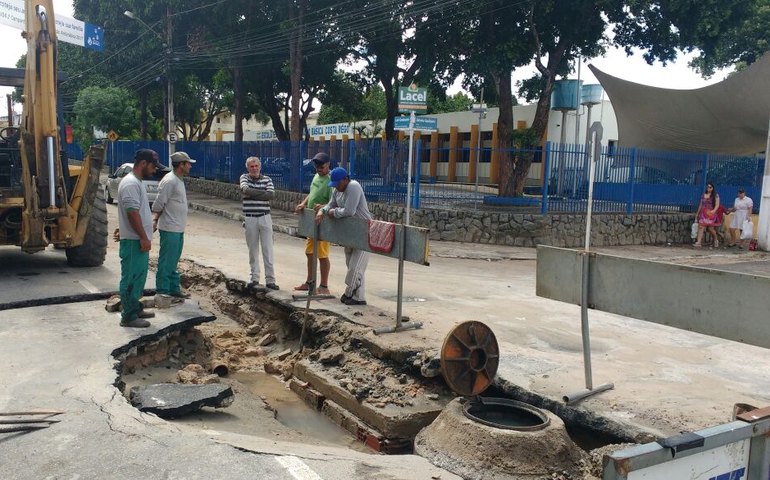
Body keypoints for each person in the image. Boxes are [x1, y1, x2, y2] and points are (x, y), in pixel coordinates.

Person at [117, 149, 161, 328]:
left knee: (139, 278)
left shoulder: (137, 182)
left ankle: (135, 308)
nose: (154, 170)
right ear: (143, 163)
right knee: (131, 279)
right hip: (135, 241)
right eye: (152, 166)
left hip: (136, 239)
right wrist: (143, 237)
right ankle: (128, 316)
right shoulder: (130, 184)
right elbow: (132, 213)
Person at [316, 167, 371, 306]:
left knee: (355, 268)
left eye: (338, 184)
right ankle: (359, 298)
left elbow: (349, 211)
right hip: (349, 234)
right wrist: (323, 211)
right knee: (352, 267)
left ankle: (348, 292)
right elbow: (330, 204)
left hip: (363, 233)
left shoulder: (353, 186)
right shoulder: (337, 190)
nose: (336, 187)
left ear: (345, 179)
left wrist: (333, 212)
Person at [152, 151, 195, 299]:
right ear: (181, 165)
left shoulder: (179, 180)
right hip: (170, 228)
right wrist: (155, 219)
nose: (190, 166)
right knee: (166, 261)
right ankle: (163, 290)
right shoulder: (170, 181)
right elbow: (159, 203)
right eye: (187, 163)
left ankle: (173, 288)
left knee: (173, 260)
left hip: (178, 228)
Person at [295, 153, 333, 295]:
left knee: (322, 255)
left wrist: (323, 207)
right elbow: (312, 193)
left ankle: (324, 286)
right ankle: (309, 282)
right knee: (309, 252)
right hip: (312, 220)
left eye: (321, 166)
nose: (318, 168)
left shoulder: (331, 181)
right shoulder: (316, 177)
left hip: (322, 221)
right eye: (317, 166)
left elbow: (334, 201)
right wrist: (303, 204)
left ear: (328, 165)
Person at [240, 156, 279, 290]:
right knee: (253, 250)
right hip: (250, 217)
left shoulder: (267, 179)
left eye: (256, 166)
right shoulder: (244, 178)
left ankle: (270, 280)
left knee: (268, 249)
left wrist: (252, 194)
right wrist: (261, 194)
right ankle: (254, 277)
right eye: (252, 166)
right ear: (248, 168)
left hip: (265, 217)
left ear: (260, 167)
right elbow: (245, 190)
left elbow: (271, 195)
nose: (254, 168)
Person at [694, 182, 720, 248]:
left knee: (710, 228)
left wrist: (713, 211)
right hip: (703, 213)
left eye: (710, 187)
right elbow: (701, 204)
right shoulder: (703, 195)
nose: (708, 188)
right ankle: (699, 242)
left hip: (711, 213)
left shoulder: (715, 195)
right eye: (708, 187)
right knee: (701, 227)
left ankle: (715, 240)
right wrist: (697, 213)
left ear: (713, 188)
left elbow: (717, 205)